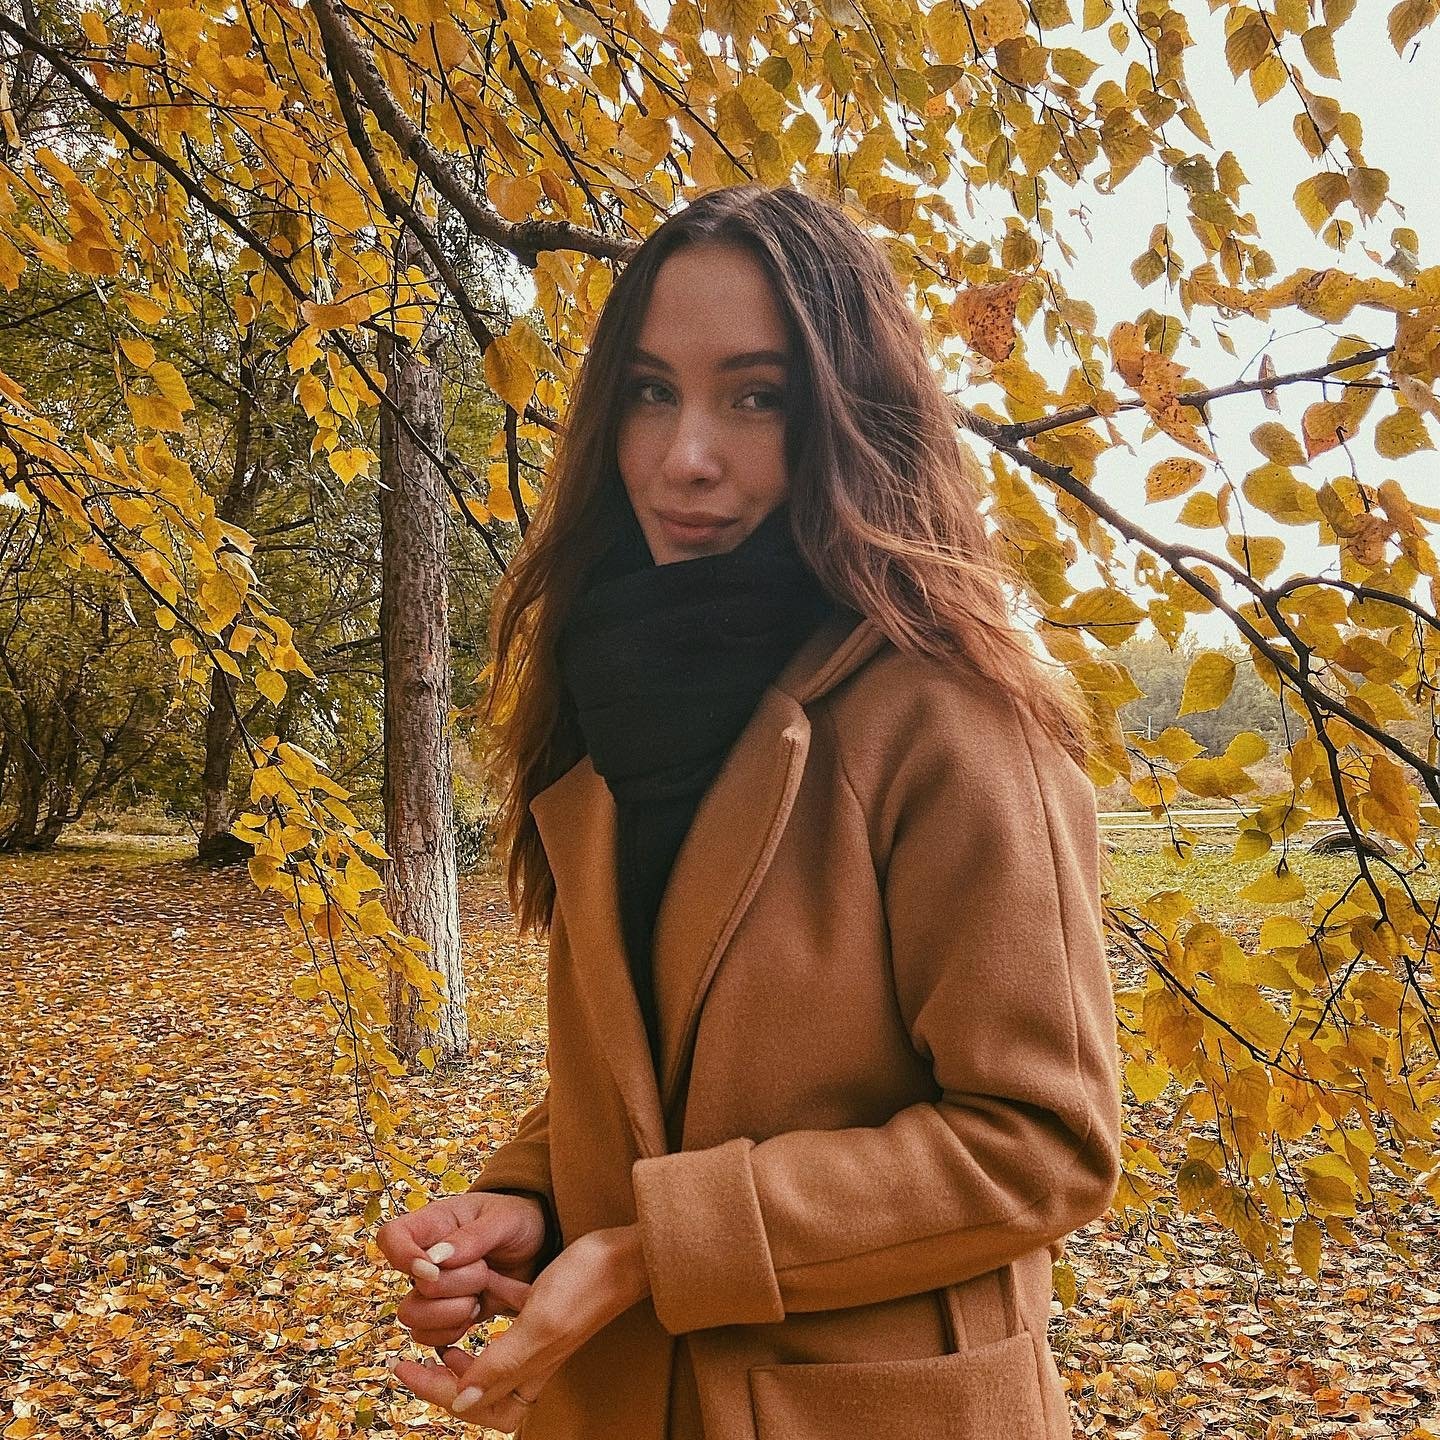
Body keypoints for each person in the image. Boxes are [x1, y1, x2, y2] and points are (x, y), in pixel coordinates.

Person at [376, 182, 1123, 1439]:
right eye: (650, 391)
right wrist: (533, 1202)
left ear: (849, 418)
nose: (686, 456)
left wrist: (654, 1250)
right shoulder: (611, 697)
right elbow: (661, 1068)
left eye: (756, 397)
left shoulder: (950, 718)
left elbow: (1043, 1141)